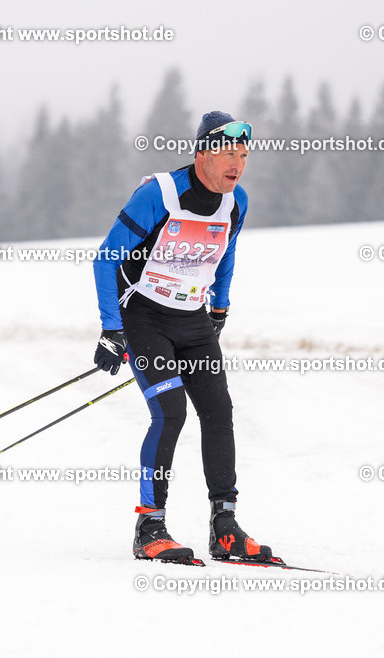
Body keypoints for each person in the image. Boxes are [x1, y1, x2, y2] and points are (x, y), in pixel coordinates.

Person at [92, 111, 275, 565]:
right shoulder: (160, 193)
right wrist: (111, 328)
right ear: (202, 154)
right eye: (228, 153)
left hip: (192, 318)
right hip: (144, 317)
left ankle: (225, 529)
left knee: (219, 412)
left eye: (244, 155)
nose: (237, 163)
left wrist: (220, 306)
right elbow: (105, 259)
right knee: (170, 412)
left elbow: (226, 251)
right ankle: (149, 527)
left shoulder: (236, 202)